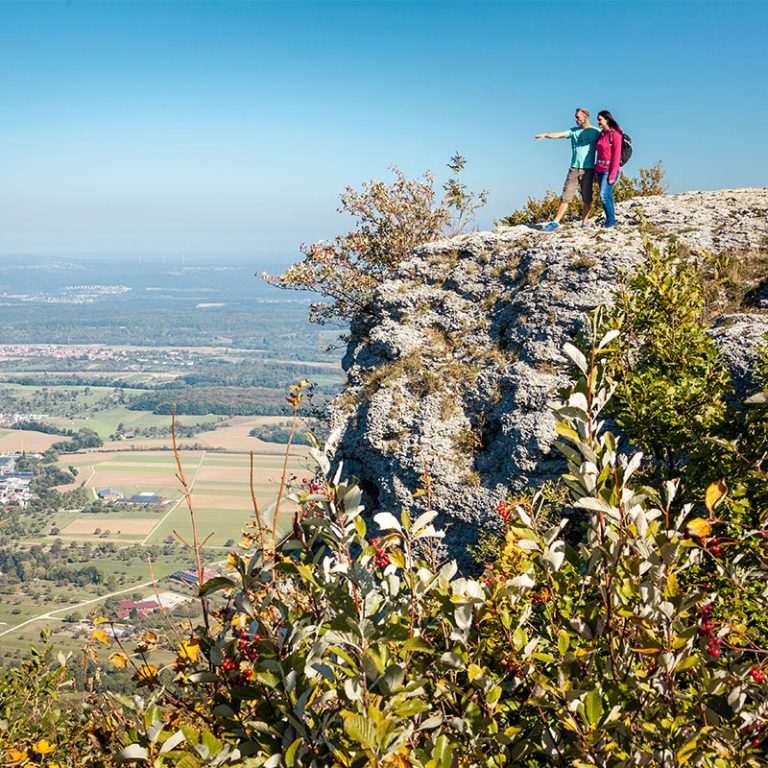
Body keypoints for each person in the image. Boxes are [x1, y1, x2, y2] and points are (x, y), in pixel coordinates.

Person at [534, 108, 600, 231]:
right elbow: (559, 134)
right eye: (575, 117)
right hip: (574, 168)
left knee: (587, 197)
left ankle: (584, 223)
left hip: (589, 169)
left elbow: (607, 143)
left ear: (585, 117)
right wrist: (545, 135)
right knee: (566, 196)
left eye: (578, 117)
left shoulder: (596, 132)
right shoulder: (573, 131)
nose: (576, 119)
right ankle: (555, 222)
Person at [594, 110, 623, 228]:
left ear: (607, 120)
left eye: (600, 120)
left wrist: (612, 175)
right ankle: (611, 220)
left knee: (603, 196)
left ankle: (610, 222)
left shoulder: (615, 134)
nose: (598, 122)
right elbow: (599, 154)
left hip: (610, 170)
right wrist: (596, 173)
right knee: (608, 196)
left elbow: (617, 155)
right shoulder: (601, 135)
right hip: (599, 170)